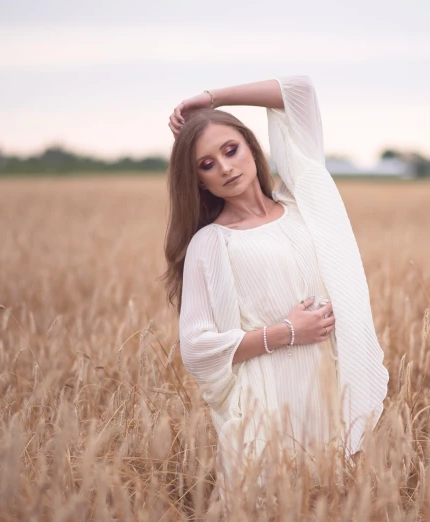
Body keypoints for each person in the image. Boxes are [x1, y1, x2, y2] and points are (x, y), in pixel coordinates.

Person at [162, 75, 389, 507]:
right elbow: (196, 348)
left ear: (252, 146)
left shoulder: (304, 203)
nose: (226, 167)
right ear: (198, 183)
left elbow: (299, 92)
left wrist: (210, 98)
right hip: (267, 406)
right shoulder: (211, 243)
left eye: (231, 150)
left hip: (330, 391)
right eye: (206, 165)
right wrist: (286, 331)